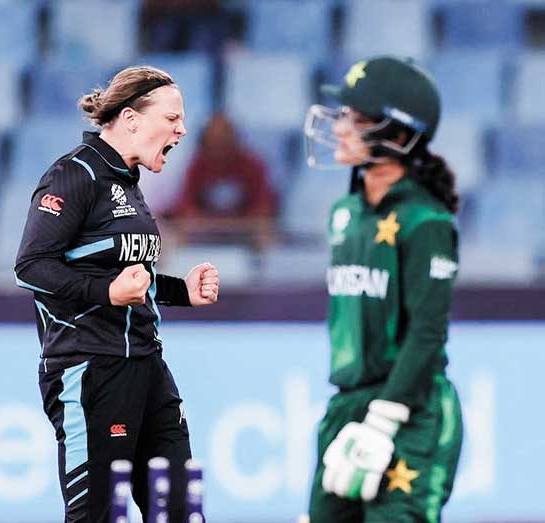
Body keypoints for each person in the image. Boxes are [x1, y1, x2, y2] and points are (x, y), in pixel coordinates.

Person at [15, 65, 220, 522]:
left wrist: (181, 291)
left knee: (182, 512)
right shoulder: (74, 175)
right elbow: (31, 267)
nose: (182, 129)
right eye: (172, 118)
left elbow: (132, 278)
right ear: (131, 119)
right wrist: (107, 291)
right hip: (89, 368)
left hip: (147, 364)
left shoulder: (128, 182)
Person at [302, 55, 463, 523]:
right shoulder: (345, 213)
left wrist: (385, 417)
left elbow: (428, 333)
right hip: (346, 406)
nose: (340, 128)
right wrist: (357, 416)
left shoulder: (426, 220)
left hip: (411, 411)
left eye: (357, 119)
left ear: (397, 136)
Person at [170, 111, 278, 251]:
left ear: (235, 141)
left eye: (224, 143)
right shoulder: (197, 165)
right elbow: (186, 208)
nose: (219, 151)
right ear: (205, 144)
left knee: (266, 234)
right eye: (213, 144)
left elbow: (263, 209)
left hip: (245, 232)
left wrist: (232, 225)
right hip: (206, 232)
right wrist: (210, 224)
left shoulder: (252, 165)